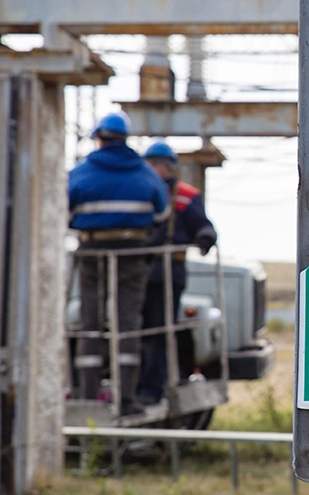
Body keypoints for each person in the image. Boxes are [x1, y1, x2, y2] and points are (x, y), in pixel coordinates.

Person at [68, 111, 169, 416]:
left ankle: (87, 394)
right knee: (127, 324)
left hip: (92, 252)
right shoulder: (144, 171)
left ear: (99, 138)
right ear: (125, 139)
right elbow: (161, 212)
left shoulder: (82, 171)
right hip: (132, 253)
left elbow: (63, 206)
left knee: (90, 323)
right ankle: (126, 399)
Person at [137, 140, 217, 405]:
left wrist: (205, 237)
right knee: (135, 331)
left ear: (167, 167)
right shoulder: (141, 192)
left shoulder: (185, 196)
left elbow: (203, 226)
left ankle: (151, 388)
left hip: (168, 273)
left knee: (159, 331)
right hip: (137, 272)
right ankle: (135, 385)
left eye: (155, 165)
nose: (151, 169)